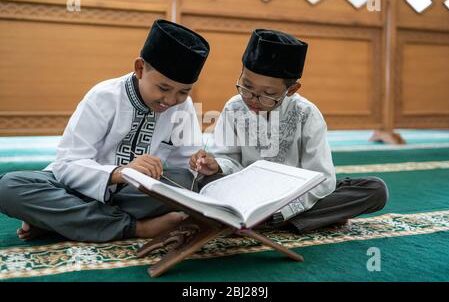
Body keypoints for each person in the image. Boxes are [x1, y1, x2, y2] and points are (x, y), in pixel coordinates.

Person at [0, 19, 209, 242]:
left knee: (191, 182)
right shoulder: (103, 96)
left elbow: (186, 168)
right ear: (140, 68)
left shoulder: (182, 108)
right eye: (163, 88)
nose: (170, 100)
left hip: (135, 195)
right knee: (8, 187)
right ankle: (138, 228)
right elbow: (66, 164)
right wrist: (120, 173)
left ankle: (61, 220)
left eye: (183, 92)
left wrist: (201, 165)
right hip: (79, 189)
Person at [190, 29, 388, 233]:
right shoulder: (234, 107)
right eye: (246, 86)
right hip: (247, 193)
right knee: (199, 180)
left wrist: (284, 210)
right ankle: (289, 221)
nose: (252, 99)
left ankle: (271, 220)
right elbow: (230, 161)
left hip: (293, 196)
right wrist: (216, 165)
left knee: (375, 189)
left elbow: (322, 179)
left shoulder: (306, 114)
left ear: (291, 90)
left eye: (268, 94)